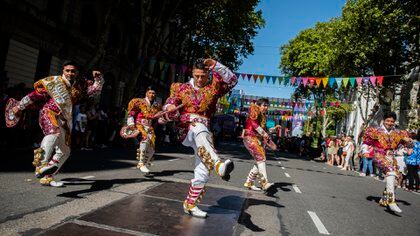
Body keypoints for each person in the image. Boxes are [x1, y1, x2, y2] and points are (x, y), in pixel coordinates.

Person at [160, 58, 237, 218]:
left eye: (203, 76)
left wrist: (216, 64)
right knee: (199, 128)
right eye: (197, 76)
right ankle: (219, 165)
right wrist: (170, 108)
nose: (200, 79)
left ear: (208, 74)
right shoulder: (180, 88)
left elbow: (232, 80)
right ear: (192, 74)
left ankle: (190, 204)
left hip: (205, 136)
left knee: (203, 170)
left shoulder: (214, 88)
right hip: (186, 130)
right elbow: (169, 104)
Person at [6, 61, 103, 187]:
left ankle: (47, 177)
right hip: (49, 112)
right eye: (67, 70)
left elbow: (94, 91)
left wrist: (98, 78)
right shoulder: (54, 82)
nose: (70, 73)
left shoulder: (81, 85)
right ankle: (41, 164)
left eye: (73, 71)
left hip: (65, 118)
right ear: (63, 71)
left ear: (77, 72)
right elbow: (35, 95)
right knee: (54, 132)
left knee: (65, 151)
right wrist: (19, 106)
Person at [362, 111, 411, 213]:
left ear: (394, 122)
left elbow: (408, 145)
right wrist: (365, 151)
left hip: (391, 157)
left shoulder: (398, 133)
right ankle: (391, 201)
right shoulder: (375, 131)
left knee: (396, 180)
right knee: (391, 172)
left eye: (392, 121)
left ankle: (384, 199)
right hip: (379, 155)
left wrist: (408, 142)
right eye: (388, 121)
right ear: (383, 121)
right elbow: (366, 143)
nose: (389, 123)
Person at [124, 86, 162, 174]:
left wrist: (162, 118)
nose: (152, 95)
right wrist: (131, 123)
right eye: (150, 93)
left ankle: (144, 163)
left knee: (152, 149)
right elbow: (131, 113)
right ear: (146, 93)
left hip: (149, 127)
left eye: (153, 93)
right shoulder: (139, 102)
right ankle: (141, 163)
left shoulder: (157, 105)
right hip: (140, 124)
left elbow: (161, 115)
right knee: (144, 140)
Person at [242, 98, 277, 192]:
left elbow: (264, 130)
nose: (266, 107)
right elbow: (253, 124)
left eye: (267, 106)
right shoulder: (254, 110)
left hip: (255, 139)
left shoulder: (262, 115)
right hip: (250, 138)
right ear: (258, 105)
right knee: (261, 159)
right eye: (264, 105)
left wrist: (273, 129)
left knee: (259, 160)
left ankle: (249, 182)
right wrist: (263, 133)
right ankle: (264, 183)